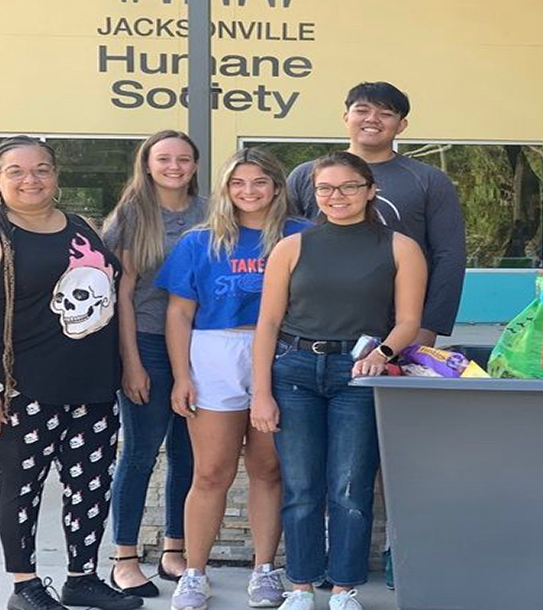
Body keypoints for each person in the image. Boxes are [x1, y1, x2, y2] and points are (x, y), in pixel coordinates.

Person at [0, 136, 141, 610]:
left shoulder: (81, 227)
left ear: (55, 175)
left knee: (90, 483)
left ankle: (82, 578)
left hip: (91, 384)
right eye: (16, 171)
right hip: (19, 389)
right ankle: (24, 585)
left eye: (41, 169)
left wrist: (128, 365)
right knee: (22, 485)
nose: (31, 179)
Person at [250, 151, 427, 610]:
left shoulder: (400, 247)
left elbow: (408, 321)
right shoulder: (291, 247)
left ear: (370, 190)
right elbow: (268, 323)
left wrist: (381, 354)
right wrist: (261, 393)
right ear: (315, 194)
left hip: (358, 375)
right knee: (301, 487)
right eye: (326, 188)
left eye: (349, 186)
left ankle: (344, 588)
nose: (337, 196)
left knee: (350, 488)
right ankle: (302, 587)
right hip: (294, 371)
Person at [157, 148, 311, 610]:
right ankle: (194, 573)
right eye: (238, 182)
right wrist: (181, 376)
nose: (249, 191)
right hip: (215, 352)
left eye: (260, 181)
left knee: (268, 469)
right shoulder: (200, 241)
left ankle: (264, 569)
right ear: (224, 188)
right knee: (210, 472)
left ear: (277, 187)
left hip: (282, 352)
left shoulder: (302, 235)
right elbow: (179, 313)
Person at [103, 130, 208, 596]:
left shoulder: (211, 212)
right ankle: (124, 557)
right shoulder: (131, 215)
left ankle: (174, 550)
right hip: (147, 342)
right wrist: (131, 361)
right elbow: (122, 293)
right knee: (141, 451)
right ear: (147, 164)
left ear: (195, 165)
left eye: (183, 159)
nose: (174, 167)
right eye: (164, 158)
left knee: (189, 452)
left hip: (201, 345)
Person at [286, 81, 465, 347]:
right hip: (313, 328)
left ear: (401, 125)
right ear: (346, 117)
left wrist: (429, 326)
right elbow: (282, 248)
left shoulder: (429, 180)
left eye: (385, 113)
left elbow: (449, 256)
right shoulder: (306, 175)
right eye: (362, 110)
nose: (372, 119)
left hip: (397, 328)